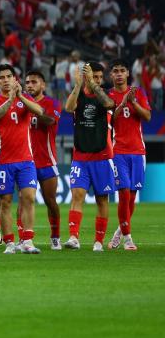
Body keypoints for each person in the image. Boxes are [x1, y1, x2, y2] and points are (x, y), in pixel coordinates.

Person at [0, 64, 44, 254]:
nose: (5, 80)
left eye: (8, 76)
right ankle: (10, 243)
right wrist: (9, 100)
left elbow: (40, 111)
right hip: (3, 161)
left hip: (26, 160)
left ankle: (27, 241)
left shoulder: (24, 98)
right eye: (1, 77)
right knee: (5, 202)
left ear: (14, 79)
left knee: (29, 198)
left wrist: (18, 97)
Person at [63, 62, 117, 251]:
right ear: (86, 76)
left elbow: (110, 104)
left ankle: (98, 242)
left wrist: (94, 85)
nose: (98, 80)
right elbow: (69, 108)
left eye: (101, 77)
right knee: (77, 195)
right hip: (80, 156)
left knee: (102, 199)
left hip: (102, 156)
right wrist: (78, 85)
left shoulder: (106, 95)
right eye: (94, 77)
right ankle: (73, 237)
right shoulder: (79, 94)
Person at [107, 59, 151, 250]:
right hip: (118, 151)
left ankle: (119, 232)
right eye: (115, 71)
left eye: (122, 70)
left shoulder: (138, 93)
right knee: (123, 193)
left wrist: (132, 101)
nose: (118, 74)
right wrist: (123, 102)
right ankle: (128, 239)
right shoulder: (108, 95)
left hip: (138, 151)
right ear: (111, 75)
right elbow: (110, 119)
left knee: (132, 196)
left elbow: (147, 116)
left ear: (127, 74)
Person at [24, 70, 63, 250]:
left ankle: (55, 236)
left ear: (43, 85)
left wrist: (32, 107)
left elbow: (49, 121)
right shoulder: (20, 103)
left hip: (47, 161)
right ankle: (24, 238)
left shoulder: (53, 103)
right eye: (27, 82)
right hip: (25, 161)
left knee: (50, 201)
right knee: (25, 200)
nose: (30, 85)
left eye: (34, 82)